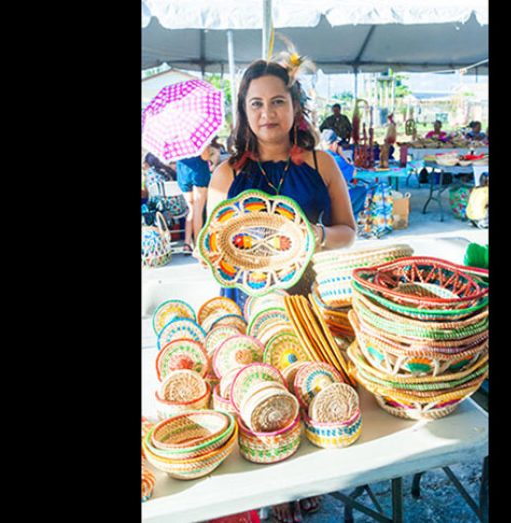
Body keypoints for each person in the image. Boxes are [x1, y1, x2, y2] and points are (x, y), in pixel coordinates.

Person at [203, 57, 357, 523]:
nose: (267, 112)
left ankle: (308, 479)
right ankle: (277, 491)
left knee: (309, 385)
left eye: (276, 101)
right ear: (244, 113)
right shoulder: (227, 172)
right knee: (259, 393)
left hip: (307, 300)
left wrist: (309, 235)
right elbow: (215, 248)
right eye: (256, 104)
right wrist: (216, 251)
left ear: (294, 106)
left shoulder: (320, 162)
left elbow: (347, 230)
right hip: (248, 304)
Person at [321, 129, 368, 217]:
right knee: (362, 189)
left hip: (320, 197)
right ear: (334, 144)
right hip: (333, 199)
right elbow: (353, 173)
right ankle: (351, 218)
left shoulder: (318, 156)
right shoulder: (336, 159)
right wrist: (342, 154)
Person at [176, 151, 212, 255]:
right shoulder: (198, 137)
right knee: (198, 210)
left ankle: (187, 244)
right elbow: (205, 156)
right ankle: (198, 245)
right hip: (198, 172)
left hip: (182, 173)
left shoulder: (177, 138)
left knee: (191, 209)